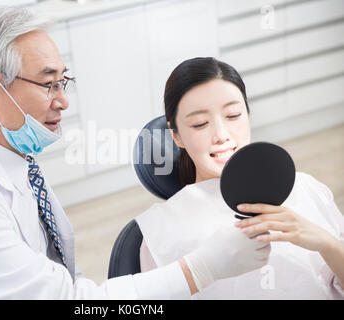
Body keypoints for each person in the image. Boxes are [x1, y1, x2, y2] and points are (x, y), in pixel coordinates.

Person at [0, 8, 270, 299]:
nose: (63, 101)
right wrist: (201, 268)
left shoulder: (3, 149)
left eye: (63, 80)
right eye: (47, 84)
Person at [136, 57, 344, 299]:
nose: (222, 135)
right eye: (200, 123)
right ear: (177, 136)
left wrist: (327, 243)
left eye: (233, 115)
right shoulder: (160, 232)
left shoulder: (309, 190)